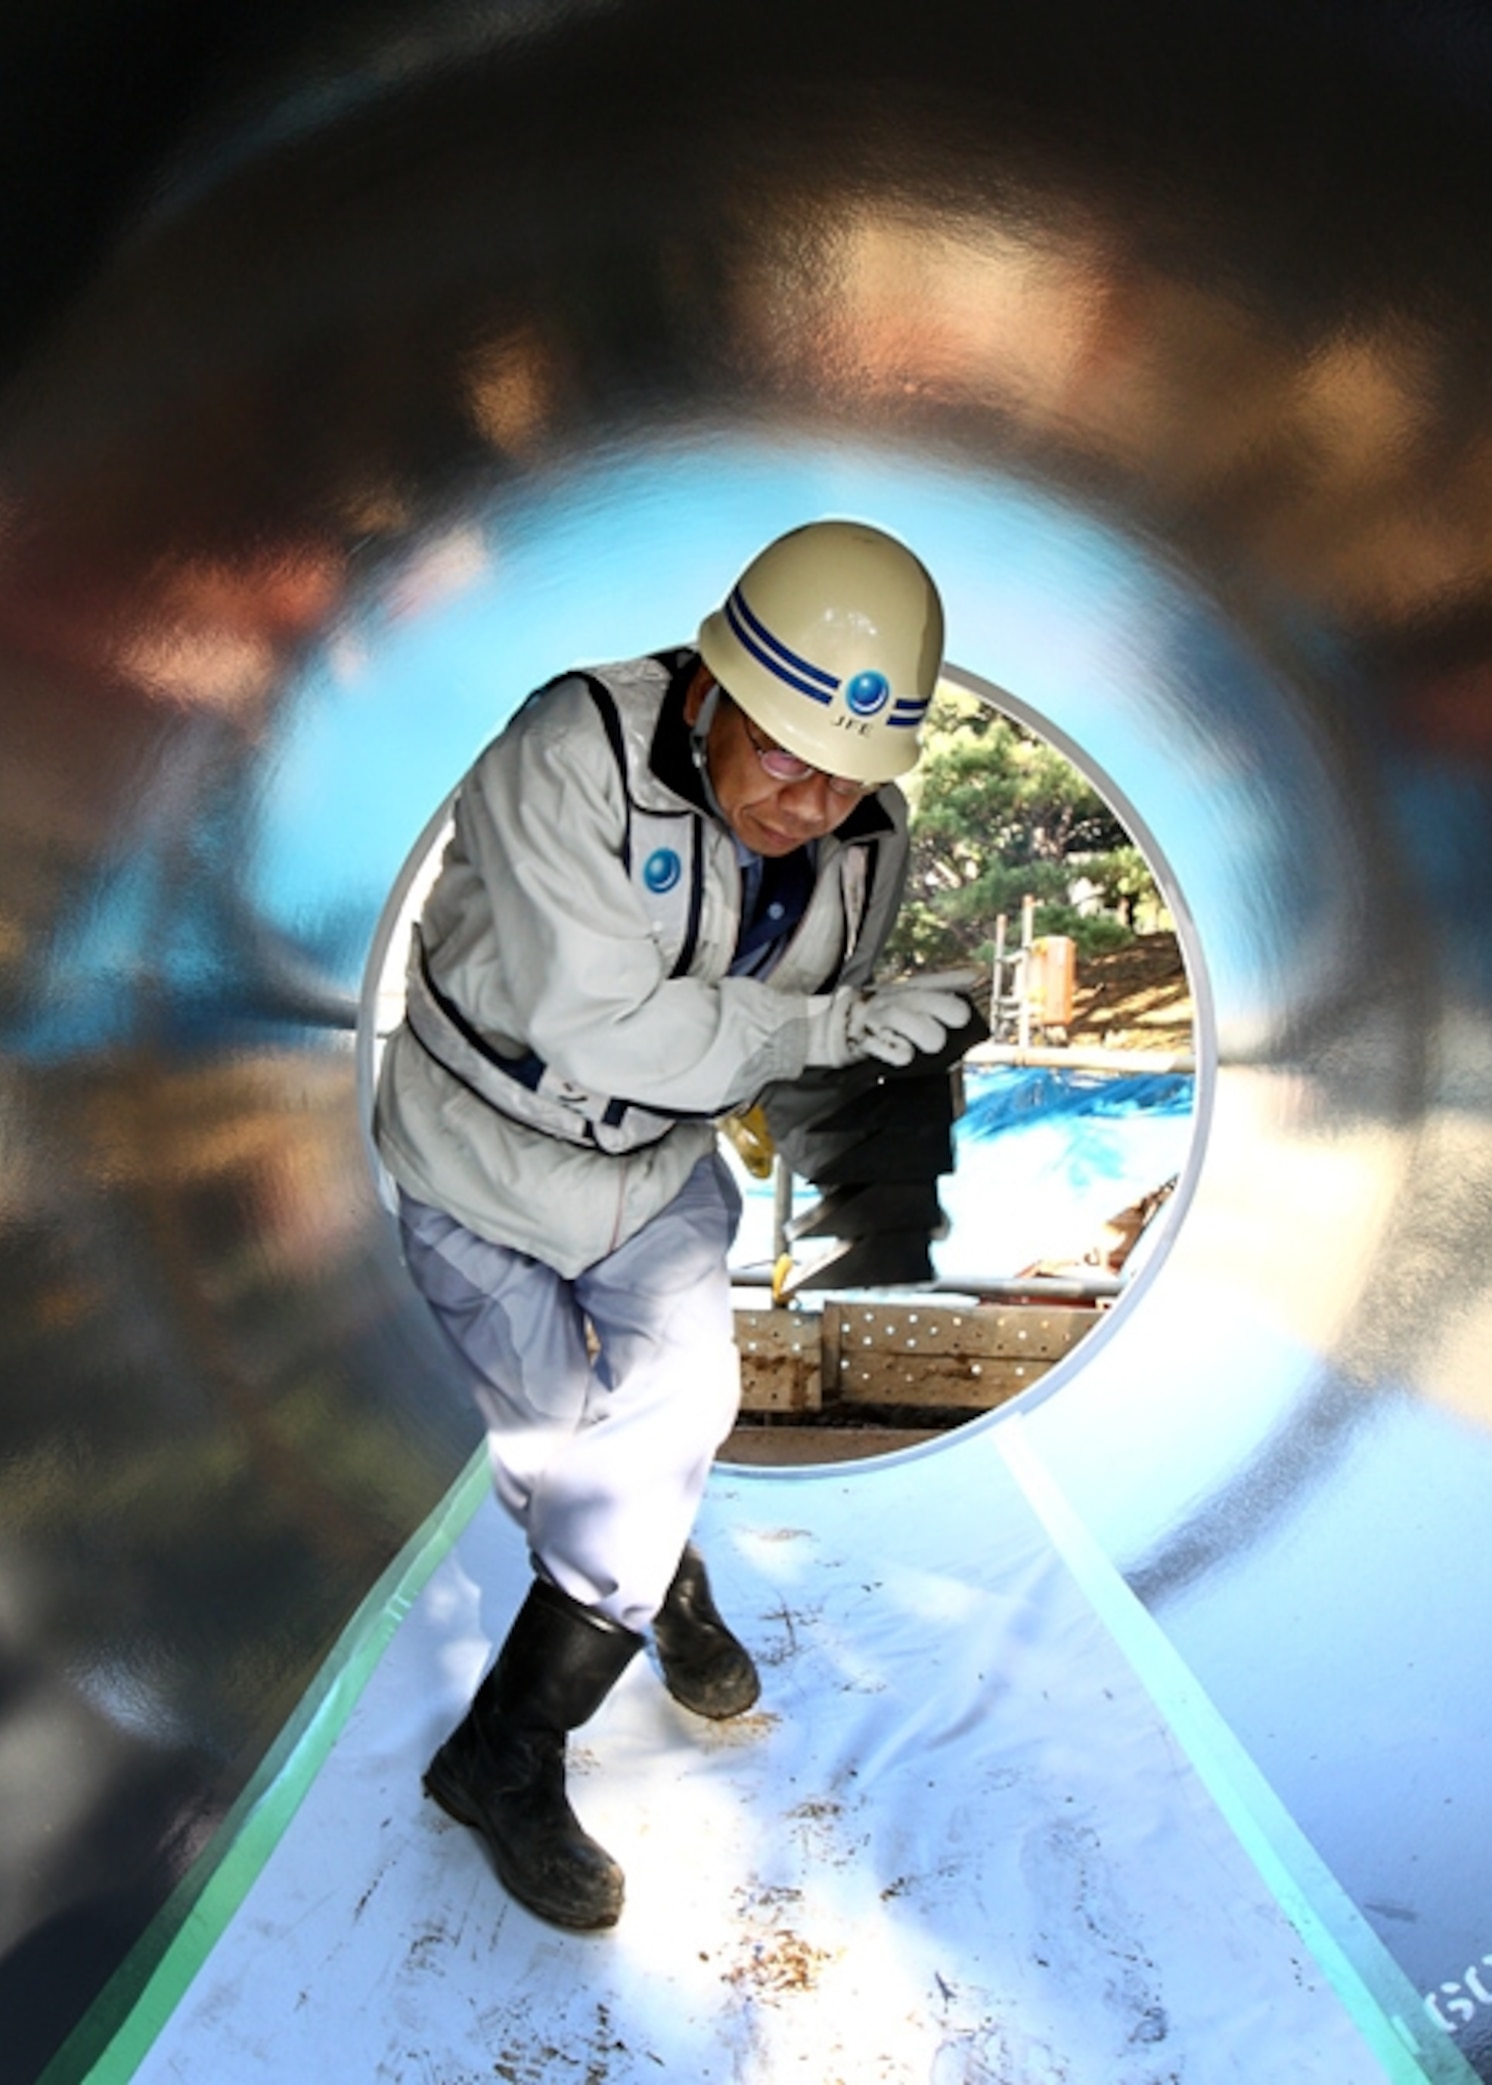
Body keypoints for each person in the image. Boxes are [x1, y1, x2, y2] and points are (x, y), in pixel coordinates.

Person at [372, 519, 978, 1930]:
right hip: (478, 1165)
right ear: (713, 684)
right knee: (555, 1462)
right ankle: (665, 1573)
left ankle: (503, 1756)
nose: (807, 797)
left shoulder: (862, 840)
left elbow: (810, 1049)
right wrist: (827, 1024)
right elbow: (609, 1025)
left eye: (847, 774)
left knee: (677, 1409)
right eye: (782, 749)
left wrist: (868, 1084)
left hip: (653, 1182)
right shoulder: (569, 749)